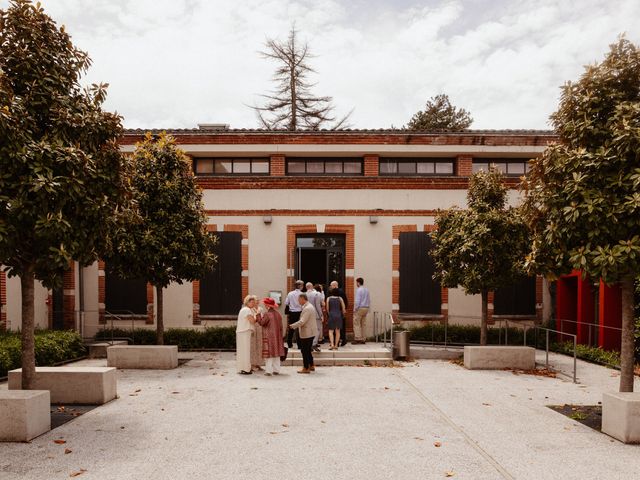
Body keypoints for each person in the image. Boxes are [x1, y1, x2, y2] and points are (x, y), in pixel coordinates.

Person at [289, 293, 318, 374]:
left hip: (307, 332)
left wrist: (292, 326)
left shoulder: (307, 308)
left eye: (299, 299)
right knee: (308, 350)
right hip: (310, 331)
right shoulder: (308, 306)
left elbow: (302, 321)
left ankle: (306, 367)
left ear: (302, 299)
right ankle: (311, 365)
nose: (298, 301)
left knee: (304, 350)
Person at [256, 297, 285, 376]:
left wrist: (258, 314)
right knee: (276, 354)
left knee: (269, 354)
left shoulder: (267, 314)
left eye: (265, 304)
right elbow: (281, 327)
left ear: (267, 306)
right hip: (277, 336)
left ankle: (268, 371)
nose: (265, 306)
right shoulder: (278, 314)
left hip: (268, 336)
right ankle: (276, 370)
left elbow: (262, 323)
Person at [236, 295, 258, 374]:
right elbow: (252, 321)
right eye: (251, 302)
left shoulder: (243, 309)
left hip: (241, 331)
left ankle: (242, 367)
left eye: (253, 302)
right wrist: (257, 317)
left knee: (241, 351)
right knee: (246, 351)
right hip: (245, 331)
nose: (253, 303)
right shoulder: (248, 310)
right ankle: (246, 369)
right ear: (247, 302)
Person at [284, 280, 304, 348]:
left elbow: (286, 303)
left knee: (291, 328)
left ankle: (289, 343)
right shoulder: (302, 294)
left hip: (292, 312)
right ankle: (299, 345)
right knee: (299, 328)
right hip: (300, 312)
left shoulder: (290, 293)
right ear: (300, 286)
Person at [330, 280, 349, 346]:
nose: (330, 287)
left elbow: (343, 302)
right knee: (340, 327)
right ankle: (342, 340)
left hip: (337, 312)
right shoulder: (342, 291)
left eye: (331, 285)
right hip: (340, 312)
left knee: (336, 328)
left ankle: (337, 342)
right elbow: (346, 302)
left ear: (335, 285)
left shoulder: (337, 292)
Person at [306, 282, 324, 352]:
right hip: (315, 314)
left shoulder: (304, 294)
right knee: (318, 329)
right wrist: (321, 315)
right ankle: (314, 344)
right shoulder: (317, 294)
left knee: (309, 330)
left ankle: (310, 344)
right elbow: (318, 306)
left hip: (307, 314)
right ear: (312, 287)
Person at [353, 277, 371, 344]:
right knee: (363, 324)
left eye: (356, 282)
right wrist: (368, 309)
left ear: (358, 282)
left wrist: (355, 309)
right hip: (366, 308)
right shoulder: (367, 290)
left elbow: (357, 301)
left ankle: (358, 338)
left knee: (356, 323)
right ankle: (363, 338)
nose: (356, 284)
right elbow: (369, 300)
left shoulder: (359, 290)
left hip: (360, 308)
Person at [249, 295, 265, 371]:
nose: (258, 301)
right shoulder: (250, 309)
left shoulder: (261, 309)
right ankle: (252, 364)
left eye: (258, 300)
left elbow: (263, 318)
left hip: (260, 329)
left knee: (260, 346)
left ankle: (259, 364)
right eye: (256, 300)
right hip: (253, 328)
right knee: (253, 346)